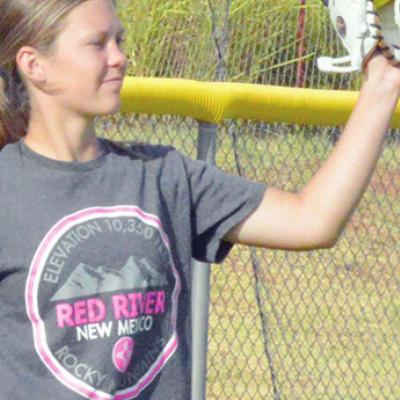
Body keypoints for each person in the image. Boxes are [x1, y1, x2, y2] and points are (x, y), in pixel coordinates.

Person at [0, 0, 399, 399]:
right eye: (97, 43)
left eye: (119, 39)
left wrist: (383, 83)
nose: (119, 57)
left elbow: (313, 220)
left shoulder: (164, 175)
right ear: (34, 65)